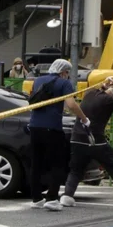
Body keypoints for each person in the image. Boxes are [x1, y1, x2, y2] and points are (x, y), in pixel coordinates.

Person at [61, 78, 113, 209]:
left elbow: (100, 89)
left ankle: (67, 196)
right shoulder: (111, 101)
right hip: (95, 139)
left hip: (76, 136)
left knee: (76, 169)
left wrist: (105, 85)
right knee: (112, 165)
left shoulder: (90, 93)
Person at [27, 59, 90, 212]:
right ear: (63, 72)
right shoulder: (64, 83)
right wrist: (83, 118)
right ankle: (52, 198)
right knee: (58, 163)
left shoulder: (38, 81)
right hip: (52, 128)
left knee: (36, 163)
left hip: (35, 126)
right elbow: (71, 104)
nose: (67, 75)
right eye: (67, 72)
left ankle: (36, 198)